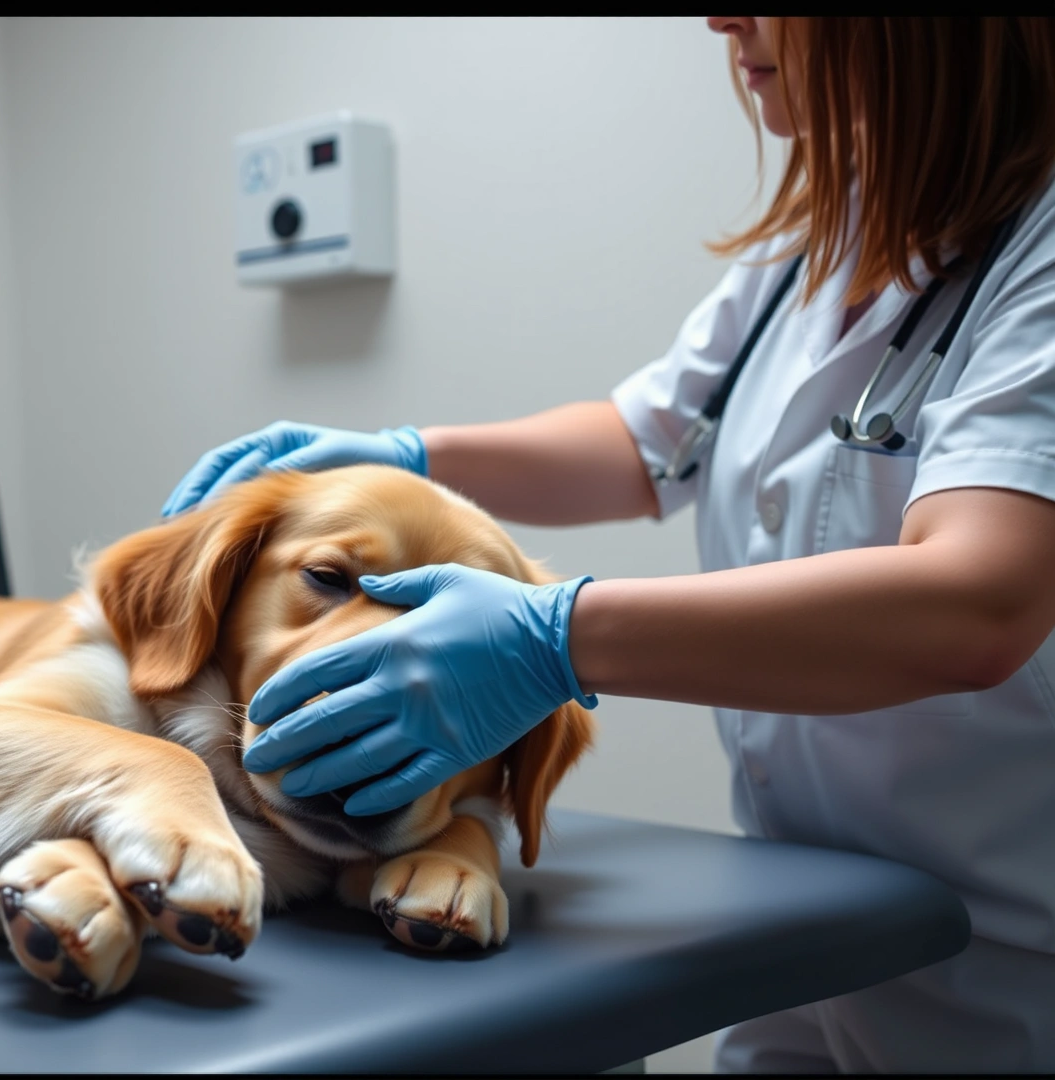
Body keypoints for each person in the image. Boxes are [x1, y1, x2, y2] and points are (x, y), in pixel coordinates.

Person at [164, 16, 1055, 1073]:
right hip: (816, 947)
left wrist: (557, 638)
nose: (720, 19)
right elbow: (648, 441)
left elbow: (979, 603)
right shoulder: (825, 233)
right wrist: (412, 453)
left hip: (1011, 969)